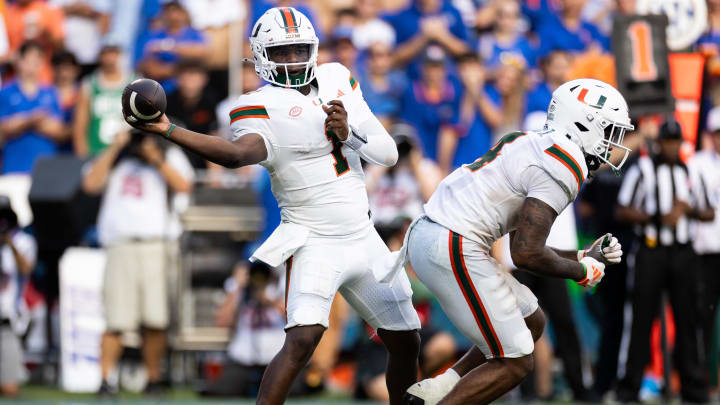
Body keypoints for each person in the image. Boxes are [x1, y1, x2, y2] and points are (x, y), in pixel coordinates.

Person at [122, 7, 421, 405]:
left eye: (299, 49)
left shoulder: (337, 77)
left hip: (364, 236)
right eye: (282, 52)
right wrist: (168, 129)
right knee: (303, 339)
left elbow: (387, 155)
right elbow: (235, 154)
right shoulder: (257, 104)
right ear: (262, 55)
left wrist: (349, 134)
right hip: (315, 240)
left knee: (405, 339)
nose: (293, 59)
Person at [374, 78, 633, 405]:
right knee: (516, 361)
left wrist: (581, 253)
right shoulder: (563, 164)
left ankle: (443, 386)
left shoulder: (533, 142)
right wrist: (580, 270)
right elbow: (525, 254)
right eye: (609, 132)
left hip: (440, 235)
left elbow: (523, 239)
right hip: (452, 243)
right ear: (582, 124)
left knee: (531, 320)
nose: (612, 146)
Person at [82, 129, 193, 396]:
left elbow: (184, 185)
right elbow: (90, 185)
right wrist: (114, 148)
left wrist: (154, 157)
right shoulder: (117, 158)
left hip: (156, 243)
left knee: (156, 318)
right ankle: (105, 379)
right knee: (115, 319)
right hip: (120, 244)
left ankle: (153, 379)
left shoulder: (168, 153)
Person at [615, 119, 715, 404]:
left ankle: (693, 389)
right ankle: (629, 388)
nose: (671, 147)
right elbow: (622, 210)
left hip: (683, 253)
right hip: (651, 251)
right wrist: (657, 217)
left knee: (688, 320)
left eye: (676, 142)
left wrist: (687, 210)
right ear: (658, 143)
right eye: (667, 142)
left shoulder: (690, 170)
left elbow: (709, 212)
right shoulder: (644, 169)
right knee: (640, 320)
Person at [202, 261, 285, 397]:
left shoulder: (280, 285)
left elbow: (295, 319)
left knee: (293, 390)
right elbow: (222, 322)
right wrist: (237, 288)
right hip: (242, 359)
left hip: (276, 359)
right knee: (218, 391)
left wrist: (270, 301)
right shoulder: (239, 289)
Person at [0, 41, 65, 175]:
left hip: (46, 169)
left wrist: (20, 122)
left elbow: (58, 130)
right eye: (28, 60)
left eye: (37, 60)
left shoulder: (51, 92)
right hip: (14, 167)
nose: (32, 65)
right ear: (19, 61)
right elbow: (4, 129)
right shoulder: (5, 92)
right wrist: (33, 119)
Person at [0, 197, 36, 397]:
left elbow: (25, 268)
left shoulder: (23, 241)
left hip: (7, 320)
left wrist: (9, 243)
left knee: (9, 389)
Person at [73, 42, 134, 158]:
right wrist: (82, 156)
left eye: (113, 52)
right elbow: (80, 124)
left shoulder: (134, 82)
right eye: (106, 53)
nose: (109, 58)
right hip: (96, 152)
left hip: (126, 155)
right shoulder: (89, 84)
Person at [136, 1, 208, 92]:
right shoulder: (153, 36)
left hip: (191, 94)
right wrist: (181, 70)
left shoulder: (195, 34)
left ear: (184, 13)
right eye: (169, 11)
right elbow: (150, 69)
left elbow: (202, 52)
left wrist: (167, 47)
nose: (173, 15)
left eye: (177, 10)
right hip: (161, 91)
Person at [165, 58, 220, 169]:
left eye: (194, 75)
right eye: (185, 75)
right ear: (177, 79)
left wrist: (215, 170)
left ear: (204, 79)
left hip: (202, 156)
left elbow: (214, 135)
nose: (189, 80)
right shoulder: (166, 102)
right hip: (174, 156)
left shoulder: (210, 102)